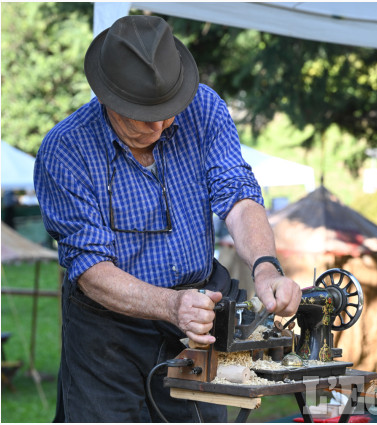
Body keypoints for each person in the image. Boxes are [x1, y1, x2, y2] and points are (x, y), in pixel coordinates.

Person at [34, 15, 301, 422]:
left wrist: (265, 268)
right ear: (107, 98)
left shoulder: (205, 108)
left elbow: (239, 196)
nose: (160, 126)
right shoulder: (66, 150)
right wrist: (170, 304)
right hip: (108, 334)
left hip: (199, 320)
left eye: (169, 110)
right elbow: (89, 267)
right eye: (143, 117)